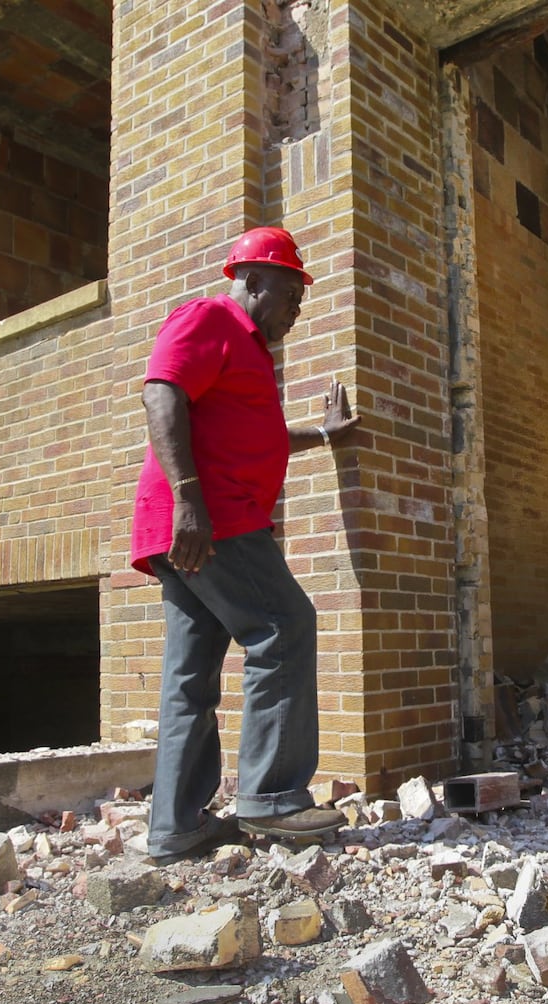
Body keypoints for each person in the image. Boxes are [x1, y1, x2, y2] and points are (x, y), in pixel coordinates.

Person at [130, 226, 360, 865]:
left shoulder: (252, 351)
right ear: (254, 279)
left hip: (198, 520)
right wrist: (188, 497)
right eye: (291, 295)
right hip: (213, 518)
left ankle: (176, 828)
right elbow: (162, 389)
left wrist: (322, 431)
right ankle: (273, 795)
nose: (295, 310)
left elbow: (255, 436)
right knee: (283, 625)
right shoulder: (211, 317)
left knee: (189, 677)